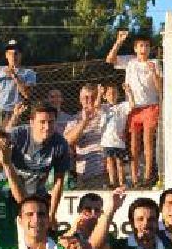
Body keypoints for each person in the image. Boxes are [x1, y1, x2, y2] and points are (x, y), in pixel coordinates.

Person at [106, 31, 162, 188]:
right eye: (140, 46)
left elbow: (160, 88)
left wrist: (154, 73)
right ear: (135, 48)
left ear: (150, 48)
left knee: (148, 142)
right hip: (133, 107)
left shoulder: (155, 63)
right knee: (133, 144)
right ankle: (135, 177)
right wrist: (118, 41)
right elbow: (110, 59)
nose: (144, 48)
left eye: (146, 46)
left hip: (150, 106)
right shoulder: (130, 62)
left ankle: (148, 176)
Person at [5, 102, 72, 221]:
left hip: (37, 196)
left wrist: (52, 214)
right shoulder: (17, 136)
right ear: (31, 122)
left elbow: (59, 182)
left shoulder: (60, 144)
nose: (47, 127)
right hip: (9, 194)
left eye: (51, 122)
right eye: (42, 122)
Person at [63, 84, 108, 189]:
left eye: (93, 97)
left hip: (109, 171)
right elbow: (67, 141)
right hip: (86, 173)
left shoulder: (107, 111)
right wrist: (84, 122)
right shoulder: (74, 120)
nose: (89, 101)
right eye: (85, 98)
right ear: (80, 100)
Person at [0, 40, 36, 129]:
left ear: (21, 55)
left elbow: (27, 94)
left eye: (16, 53)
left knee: (6, 139)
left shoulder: (29, 72)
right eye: (10, 53)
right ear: (6, 55)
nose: (13, 56)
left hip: (11, 112)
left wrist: (14, 75)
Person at [97, 83, 133, 189]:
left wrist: (129, 92)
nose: (112, 96)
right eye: (109, 94)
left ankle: (121, 182)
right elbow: (96, 106)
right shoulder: (104, 108)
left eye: (114, 93)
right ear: (105, 96)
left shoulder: (122, 106)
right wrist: (99, 93)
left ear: (118, 94)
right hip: (107, 141)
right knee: (109, 161)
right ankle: (113, 182)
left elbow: (132, 104)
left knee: (119, 162)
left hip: (118, 141)